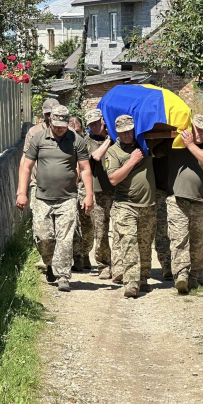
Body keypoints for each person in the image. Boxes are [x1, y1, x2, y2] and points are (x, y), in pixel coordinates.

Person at [16, 105, 94, 292]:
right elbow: (26, 166)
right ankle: (50, 263)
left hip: (67, 197)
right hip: (42, 196)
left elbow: (85, 169)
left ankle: (63, 276)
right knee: (43, 236)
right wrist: (21, 192)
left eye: (63, 125)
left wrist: (89, 195)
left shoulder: (77, 140)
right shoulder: (38, 139)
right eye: (56, 124)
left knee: (65, 238)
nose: (60, 128)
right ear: (50, 120)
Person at [154, 115, 203, 294]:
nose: (202, 134)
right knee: (178, 238)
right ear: (191, 127)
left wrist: (190, 145)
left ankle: (194, 276)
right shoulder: (176, 143)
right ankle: (181, 275)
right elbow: (154, 150)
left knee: (198, 242)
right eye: (199, 130)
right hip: (176, 199)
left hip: (200, 201)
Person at [106, 115, 156, 298]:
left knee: (144, 244)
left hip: (148, 204)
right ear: (117, 132)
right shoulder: (113, 151)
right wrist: (133, 160)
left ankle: (142, 280)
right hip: (125, 205)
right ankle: (131, 282)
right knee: (129, 242)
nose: (127, 134)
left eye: (130, 130)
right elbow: (113, 179)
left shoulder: (145, 143)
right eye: (123, 132)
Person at [18, 97, 59, 271]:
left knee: (60, 226)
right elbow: (25, 161)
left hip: (61, 188)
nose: (50, 118)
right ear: (43, 115)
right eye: (48, 114)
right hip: (38, 185)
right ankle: (47, 258)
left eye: (53, 114)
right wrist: (22, 190)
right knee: (41, 226)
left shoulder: (67, 132)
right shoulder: (34, 133)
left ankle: (58, 262)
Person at [84, 108, 116, 280]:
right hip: (99, 192)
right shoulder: (86, 141)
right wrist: (108, 141)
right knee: (101, 232)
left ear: (103, 120)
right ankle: (104, 265)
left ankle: (119, 265)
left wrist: (112, 137)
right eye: (91, 125)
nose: (95, 127)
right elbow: (95, 156)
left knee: (120, 230)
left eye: (97, 122)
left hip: (118, 190)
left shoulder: (117, 136)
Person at [68, 115, 93, 272]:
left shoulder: (87, 143)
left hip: (85, 188)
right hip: (69, 188)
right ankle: (77, 257)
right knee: (73, 224)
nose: (75, 134)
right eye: (72, 131)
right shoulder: (64, 144)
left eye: (78, 130)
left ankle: (85, 253)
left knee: (88, 225)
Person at [153, 156, 172, 279]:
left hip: (178, 190)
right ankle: (166, 264)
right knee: (161, 229)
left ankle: (180, 264)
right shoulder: (153, 140)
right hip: (158, 188)